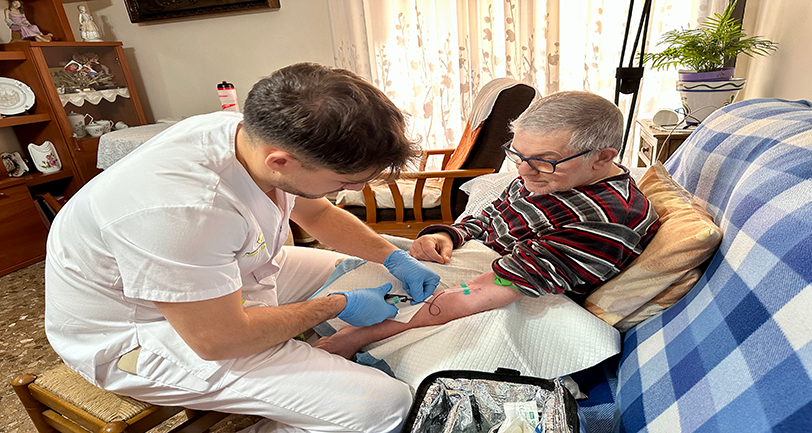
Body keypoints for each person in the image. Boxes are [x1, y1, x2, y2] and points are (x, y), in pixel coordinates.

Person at [44, 63, 441, 433]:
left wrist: (393, 257)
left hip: (218, 276)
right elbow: (219, 340)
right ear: (281, 162)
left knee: (364, 270)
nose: (355, 191)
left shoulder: (249, 136)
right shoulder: (183, 210)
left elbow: (317, 216)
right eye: (344, 182)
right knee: (385, 406)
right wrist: (336, 304)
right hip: (146, 332)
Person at [315, 91, 661, 360]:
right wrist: (448, 233)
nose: (524, 173)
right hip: (492, 268)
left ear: (604, 156)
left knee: (369, 324)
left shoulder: (602, 220)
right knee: (371, 260)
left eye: (544, 162)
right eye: (519, 156)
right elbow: (492, 214)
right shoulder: (547, 178)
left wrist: (360, 335)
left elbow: (486, 291)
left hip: (520, 296)